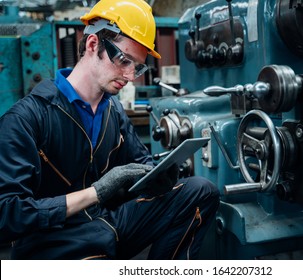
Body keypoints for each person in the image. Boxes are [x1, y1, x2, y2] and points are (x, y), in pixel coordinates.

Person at [0, 0, 219, 260]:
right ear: (93, 44)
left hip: (106, 225)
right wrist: (96, 192)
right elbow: (7, 214)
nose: (129, 75)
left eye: (137, 67)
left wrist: (159, 176)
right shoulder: (26, 118)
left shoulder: (112, 111)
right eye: (124, 60)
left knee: (200, 191)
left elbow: (140, 163)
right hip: (55, 240)